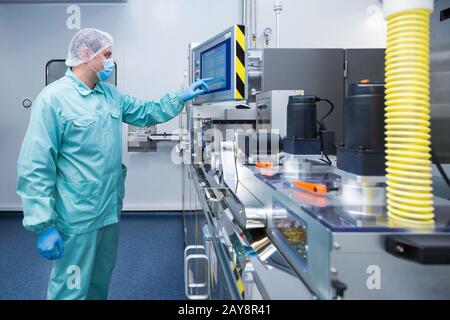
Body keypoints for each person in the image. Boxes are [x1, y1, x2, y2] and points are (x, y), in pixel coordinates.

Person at [16, 28, 210, 300]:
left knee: (98, 282)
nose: (110, 62)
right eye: (106, 55)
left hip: (108, 210)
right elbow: (35, 164)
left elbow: (146, 111)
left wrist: (181, 96)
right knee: (70, 289)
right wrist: (43, 224)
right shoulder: (53, 100)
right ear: (86, 55)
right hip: (76, 215)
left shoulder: (110, 95)